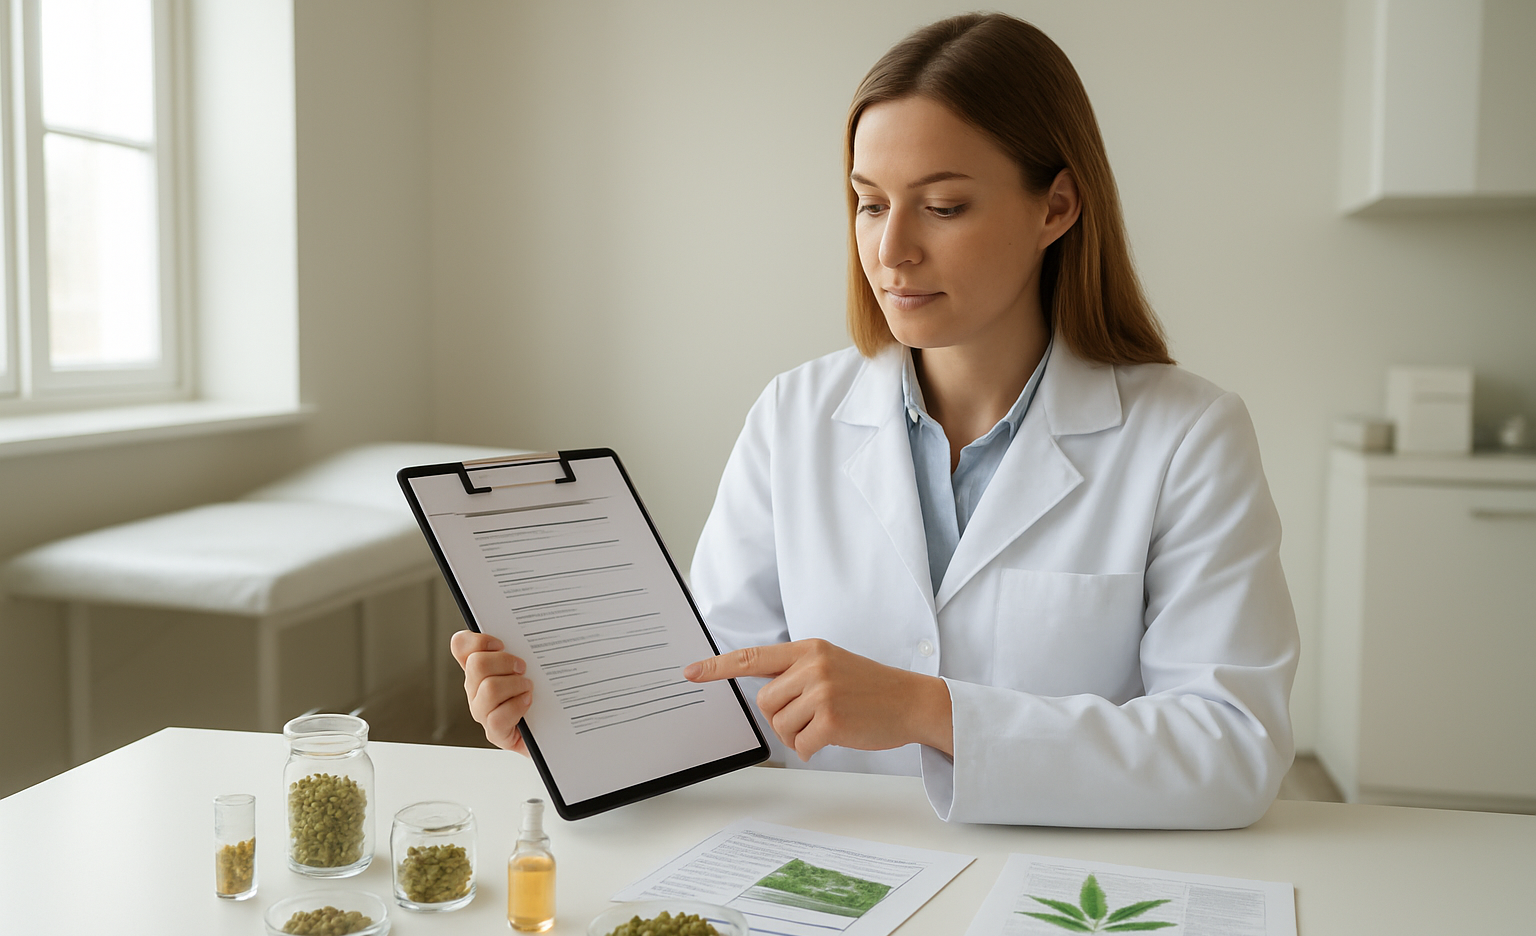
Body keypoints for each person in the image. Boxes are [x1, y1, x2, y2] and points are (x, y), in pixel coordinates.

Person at [455, 13, 1298, 829]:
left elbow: (1230, 749)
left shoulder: (1189, 436)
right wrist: (565, 721)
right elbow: (721, 697)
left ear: (1058, 207)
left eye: (943, 206)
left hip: (1052, 897)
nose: (891, 250)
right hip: (832, 887)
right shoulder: (793, 416)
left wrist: (925, 709)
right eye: (868, 203)